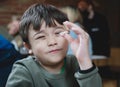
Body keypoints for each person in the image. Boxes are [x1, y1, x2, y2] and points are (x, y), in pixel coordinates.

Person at [6, 3, 102, 87]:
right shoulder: (24, 70)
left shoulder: (76, 63)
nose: (52, 42)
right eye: (40, 37)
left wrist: (85, 62)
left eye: (58, 33)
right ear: (28, 47)